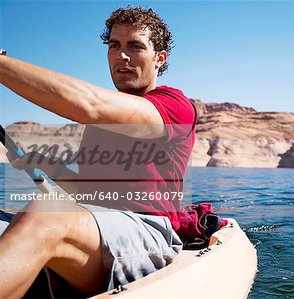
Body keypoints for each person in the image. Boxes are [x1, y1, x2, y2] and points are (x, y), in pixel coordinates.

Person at [0, 6, 195, 297]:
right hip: (96, 223)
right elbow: (91, 191)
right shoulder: (98, 126)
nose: (122, 55)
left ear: (159, 59)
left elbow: (88, 104)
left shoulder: (174, 105)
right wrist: (48, 166)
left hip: (150, 233)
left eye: (135, 46)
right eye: (114, 45)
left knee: (49, 213)